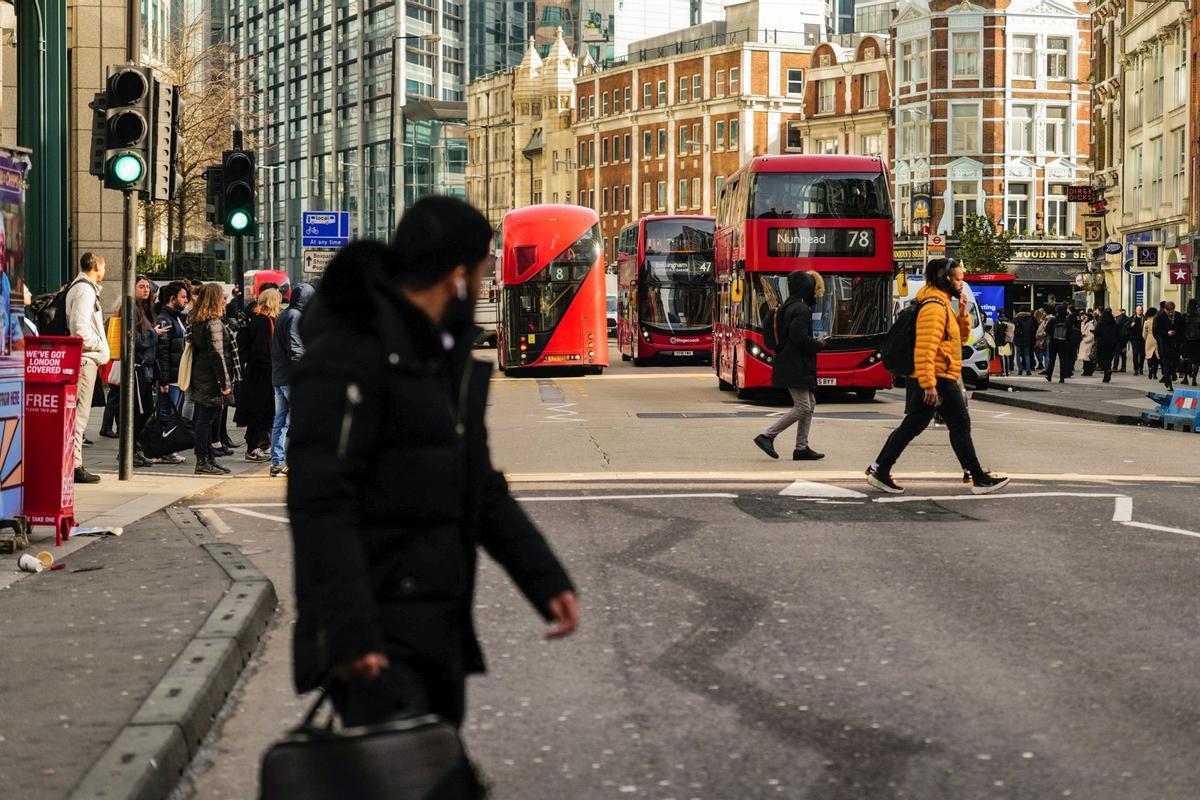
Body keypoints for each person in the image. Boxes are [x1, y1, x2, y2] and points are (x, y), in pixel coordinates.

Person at [287, 196, 578, 734]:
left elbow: (480, 486)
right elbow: (322, 503)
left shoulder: (442, 358)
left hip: (437, 623)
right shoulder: (349, 355)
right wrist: (351, 632)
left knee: (428, 768)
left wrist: (545, 579)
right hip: (376, 631)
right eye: (483, 270)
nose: (487, 286)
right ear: (455, 275)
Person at [865, 259, 1007, 495]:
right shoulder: (933, 307)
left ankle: (880, 469)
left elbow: (957, 341)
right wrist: (929, 384)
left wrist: (962, 314)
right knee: (959, 424)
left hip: (938, 375)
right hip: (938, 377)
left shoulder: (942, 304)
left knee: (913, 425)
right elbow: (925, 347)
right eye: (958, 278)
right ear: (944, 278)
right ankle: (978, 478)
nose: (962, 283)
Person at [752, 270, 827, 461]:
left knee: (810, 403)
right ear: (807, 288)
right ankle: (767, 436)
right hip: (796, 364)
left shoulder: (787, 306)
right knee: (803, 406)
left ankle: (802, 448)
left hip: (788, 363)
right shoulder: (802, 309)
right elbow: (798, 337)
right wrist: (818, 344)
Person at [65, 252, 110, 484]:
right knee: (79, 416)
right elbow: (78, 326)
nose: (105, 271)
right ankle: (75, 466)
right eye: (103, 266)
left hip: (85, 358)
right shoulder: (84, 290)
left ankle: (73, 464)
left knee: (78, 414)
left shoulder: (83, 288)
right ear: (96, 266)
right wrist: (97, 344)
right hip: (85, 359)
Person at [187, 284, 236, 475]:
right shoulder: (213, 323)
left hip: (201, 374)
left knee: (205, 419)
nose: (225, 301)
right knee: (206, 420)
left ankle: (209, 458)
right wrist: (225, 383)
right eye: (221, 297)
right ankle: (203, 460)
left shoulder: (198, 320)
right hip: (211, 377)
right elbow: (218, 354)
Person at [269, 282, 313, 477]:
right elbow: (295, 349)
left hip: (279, 375)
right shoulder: (296, 317)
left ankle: (277, 461)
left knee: (280, 421)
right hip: (291, 377)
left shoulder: (285, 314)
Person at [235, 287, 280, 461]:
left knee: (261, 411)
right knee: (258, 411)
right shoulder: (262, 321)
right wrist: (271, 367)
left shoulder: (260, 319)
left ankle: (257, 445)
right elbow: (261, 350)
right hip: (260, 375)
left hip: (259, 373)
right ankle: (252, 448)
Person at [1154, 301, 1186, 391]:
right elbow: (1157, 330)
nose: (1171, 313)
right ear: (1165, 310)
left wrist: (1180, 337)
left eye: (1172, 311)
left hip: (1176, 343)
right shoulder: (1160, 317)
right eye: (1169, 312)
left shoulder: (1178, 315)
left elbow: (1183, 328)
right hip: (1165, 343)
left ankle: (1173, 372)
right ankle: (1168, 383)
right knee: (1166, 363)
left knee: (1175, 362)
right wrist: (1166, 333)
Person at [1045, 305, 1072, 383]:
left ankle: (1049, 375)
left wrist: (1051, 335)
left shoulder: (1053, 320)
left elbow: (1047, 330)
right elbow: (1070, 332)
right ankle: (1062, 377)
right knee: (1063, 360)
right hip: (1063, 343)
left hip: (1053, 342)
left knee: (1051, 360)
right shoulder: (1067, 321)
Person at [1094, 308, 1120, 383]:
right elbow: (1118, 334)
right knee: (1109, 359)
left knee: (1101, 359)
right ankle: (1107, 373)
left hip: (1102, 343)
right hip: (1112, 344)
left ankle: (1106, 371)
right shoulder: (1114, 323)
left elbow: (1096, 332)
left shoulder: (1101, 323)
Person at [1013, 307, 1037, 376]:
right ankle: (1028, 370)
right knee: (1027, 355)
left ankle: (1020, 370)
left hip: (1018, 339)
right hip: (1027, 339)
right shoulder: (1031, 319)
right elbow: (1033, 330)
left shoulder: (1015, 319)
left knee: (1018, 354)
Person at [1184, 298, 1200, 386]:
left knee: (1187, 360)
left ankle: (1186, 378)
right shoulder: (1199, 316)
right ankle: (1194, 379)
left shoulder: (1185, 316)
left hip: (1187, 341)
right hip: (1197, 341)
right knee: (1196, 361)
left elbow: (1182, 329)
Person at [1129, 305, 1146, 375]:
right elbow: (1126, 328)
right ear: (1136, 311)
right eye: (1138, 310)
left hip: (1142, 339)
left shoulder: (1145, 319)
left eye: (1141, 310)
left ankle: (1141, 368)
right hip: (1134, 339)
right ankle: (1136, 369)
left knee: (1142, 355)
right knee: (1135, 354)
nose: (1139, 311)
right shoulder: (1132, 318)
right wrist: (1131, 326)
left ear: (1142, 311)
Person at [1144, 307, 1160, 381]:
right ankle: (1154, 374)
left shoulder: (1146, 322)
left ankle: (1150, 368)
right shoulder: (1157, 321)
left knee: (1149, 356)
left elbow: (1144, 334)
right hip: (1156, 339)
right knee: (1156, 357)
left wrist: (1145, 338)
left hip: (1149, 340)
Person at [1078, 310, 1096, 376]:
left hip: (1088, 343)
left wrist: (1085, 340)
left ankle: (1088, 371)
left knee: (1087, 359)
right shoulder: (1085, 324)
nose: (1084, 318)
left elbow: (1092, 335)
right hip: (1085, 343)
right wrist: (1083, 322)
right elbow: (1082, 330)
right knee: (1085, 359)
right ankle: (1086, 371)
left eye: (1085, 317)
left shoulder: (1090, 325)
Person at [1112, 308, 1129, 372]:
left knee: (1116, 354)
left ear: (1119, 312)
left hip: (1118, 339)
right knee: (1123, 354)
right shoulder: (1127, 318)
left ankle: (1115, 367)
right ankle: (1123, 367)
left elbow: (1116, 329)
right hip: (1124, 339)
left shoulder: (1118, 319)